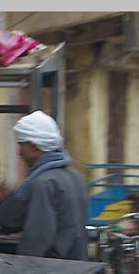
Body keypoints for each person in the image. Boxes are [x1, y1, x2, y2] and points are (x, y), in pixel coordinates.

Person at [11, 110, 88, 260]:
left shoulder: (44, 182)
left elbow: (38, 238)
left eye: (21, 146)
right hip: (76, 267)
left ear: (34, 146)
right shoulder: (75, 176)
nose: (19, 153)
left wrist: (22, 268)